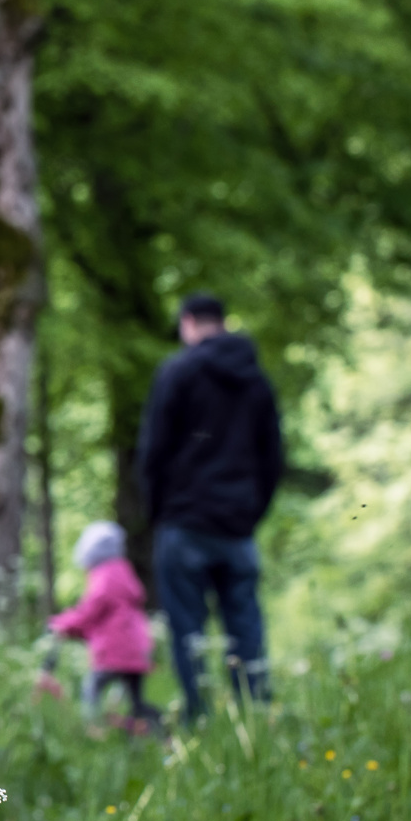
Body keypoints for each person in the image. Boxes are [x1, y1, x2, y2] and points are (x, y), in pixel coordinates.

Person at [138, 292, 284, 721]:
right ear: (222, 321)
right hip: (237, 528)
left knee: (189, 632)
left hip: (183, 523)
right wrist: (251, 514)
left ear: (188, 323)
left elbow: (153, 452)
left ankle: (198, 720)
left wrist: (158, 514)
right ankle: (255, 717)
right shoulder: (256, 380)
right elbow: (273, 458)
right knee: (246, 629)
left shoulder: (177, 372)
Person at [45, 521, 160, 728]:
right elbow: (106, 618)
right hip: (138, 651)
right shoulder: (124, 572)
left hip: (114, 652)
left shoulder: (104, 576)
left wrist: (60, 624)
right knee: (135, 701)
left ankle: (93, 730)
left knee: (91, 690)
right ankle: (151, 729)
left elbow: (90, 611)